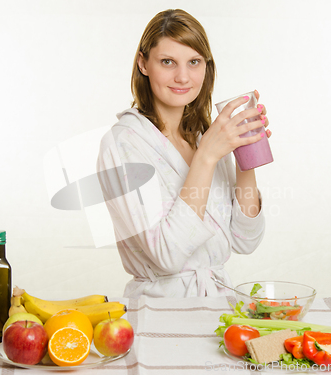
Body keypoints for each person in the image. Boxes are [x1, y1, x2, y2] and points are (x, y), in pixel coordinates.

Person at [97, 9, 271, 298]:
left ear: (206, 66)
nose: (182, 76)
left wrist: (244, 153)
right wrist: (206, 156)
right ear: (143, 64)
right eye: (167, 62)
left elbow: (246, 240)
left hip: (218, 307)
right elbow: (167, 255)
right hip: (158, 310)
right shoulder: (122, 144)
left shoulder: (205, 137)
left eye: (194, 62)